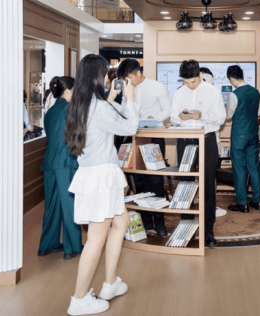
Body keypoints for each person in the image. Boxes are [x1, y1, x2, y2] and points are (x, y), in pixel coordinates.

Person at [64, 55, 139, 315]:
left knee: (121, 222)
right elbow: (130, 127)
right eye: (108, 73)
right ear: (98, 76)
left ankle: (110, 283)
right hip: (101, 178)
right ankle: (79, 299)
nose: (110, 77)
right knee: (96, 239)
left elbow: (106, 118)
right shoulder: (99, 107)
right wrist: (130, 98)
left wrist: (113, 97)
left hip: (93, 175)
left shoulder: (81, 104)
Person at [171, 59, 226, 247]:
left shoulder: (213, 92)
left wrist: (201, 115)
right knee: (184, 184)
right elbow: (173, 117)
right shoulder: (179, 93)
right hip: (184, 141)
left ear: (200, 75)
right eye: (185, 82)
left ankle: (208, 230)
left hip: (206, 140)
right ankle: (185, 226)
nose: (189, 85)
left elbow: (220, 118)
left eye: (192, 81)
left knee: (208, 184)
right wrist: (179, 117)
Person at [117, 58, 171, 237]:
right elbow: (123, 111)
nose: (128, 82)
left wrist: (154, 119)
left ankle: (160, 223)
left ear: (138, 73)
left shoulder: (157, 86)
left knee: (156, 181)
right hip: (134, 138)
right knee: (138, 182)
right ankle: (146, 222)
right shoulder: (127, 89)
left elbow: (168, 110)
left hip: (154, 137)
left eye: (129, 78)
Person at [39, 76, 81, 260]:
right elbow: (75, 136)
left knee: (52, 205)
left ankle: (47, 245)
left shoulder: (50, 111)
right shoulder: (70, 109)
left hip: (49, 161)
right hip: (65, 161)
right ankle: (72, 247)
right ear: (68, 90)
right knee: (69, 204)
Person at [225, 65, 260, 213]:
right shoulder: (256, 92)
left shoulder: (234, 94)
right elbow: (258, 113)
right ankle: (257, 200)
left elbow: (228, 115)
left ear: (231, 79)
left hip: (239, 135)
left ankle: (242, 203)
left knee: (239, 168)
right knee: (254, 167)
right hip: (253, 133)